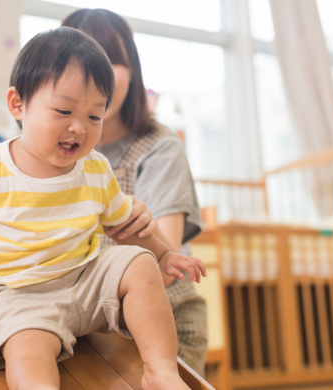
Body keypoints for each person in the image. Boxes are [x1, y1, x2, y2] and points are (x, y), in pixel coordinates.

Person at [0, 27, 206, 390]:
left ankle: (161, 372)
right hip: (21, 296)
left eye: (95, 117)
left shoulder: (95, 168)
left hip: (85, 280)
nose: (78, 127)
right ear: (18, 104)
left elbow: (124, 222)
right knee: (28, 351)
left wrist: (161, 255)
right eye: (63, 110)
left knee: (137, 263)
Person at [62, 9, 208, 375]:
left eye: (109, 61)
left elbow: (166, 265)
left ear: (133, 70)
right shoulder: (51, 148)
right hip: (75, 322)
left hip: (160, 325)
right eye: (79, 61)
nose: (94, 75)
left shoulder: (160, 146)